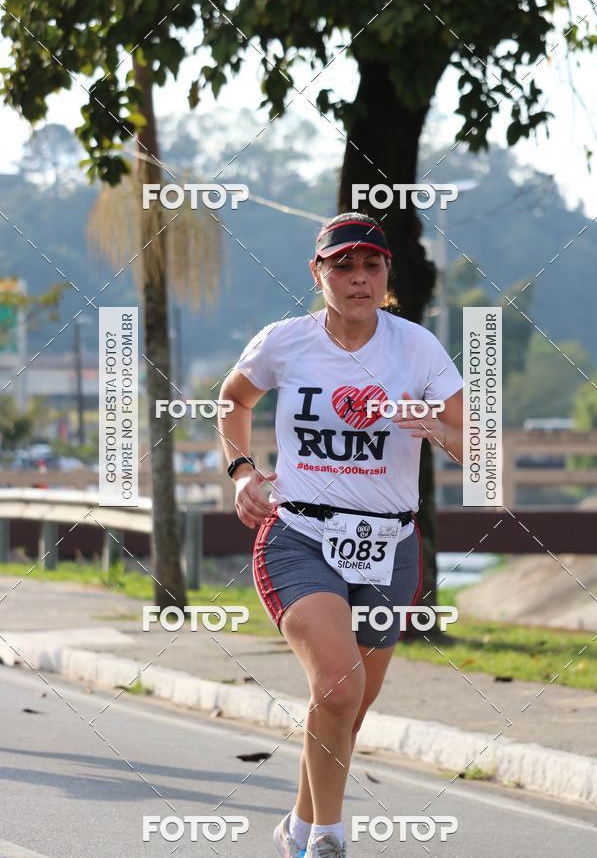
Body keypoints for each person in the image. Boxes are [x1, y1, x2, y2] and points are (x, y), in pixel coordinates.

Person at [218, 212, 464, 858]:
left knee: (346, 710)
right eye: (343, 266)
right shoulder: (284, 342)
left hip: (389, 548)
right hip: (300, 535)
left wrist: (437, 428)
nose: (359, 279)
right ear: (317, 272)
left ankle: (298, 829)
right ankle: (327, 840)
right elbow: (234, 400)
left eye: (371, 266)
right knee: (336, 684)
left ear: (388, 274)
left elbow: (480, 445)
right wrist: (241, 470)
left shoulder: (417, 349)